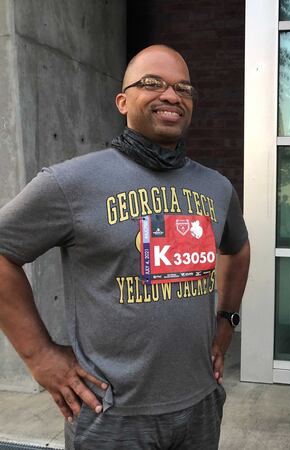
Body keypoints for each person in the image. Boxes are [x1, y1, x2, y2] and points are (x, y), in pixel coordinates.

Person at [0, 44, 250, 449]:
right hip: (112, 418)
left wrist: (226, 321)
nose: (171, 95)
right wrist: (39, 355)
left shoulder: (216, 187)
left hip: (201, 405)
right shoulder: (71, 183)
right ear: (122, 101)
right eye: (152, 83)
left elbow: (237, 250)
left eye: (184, 89)